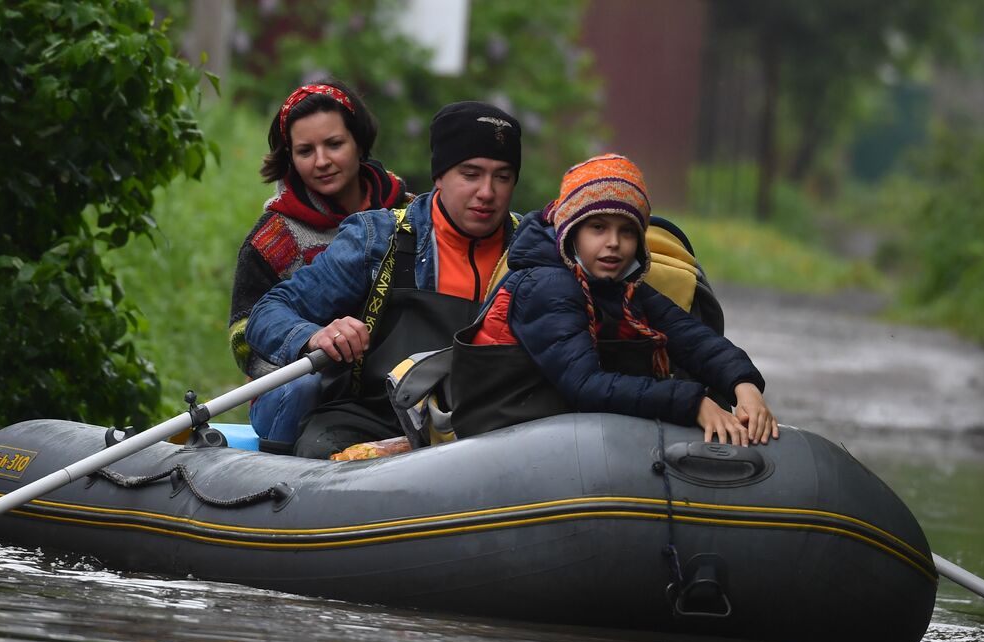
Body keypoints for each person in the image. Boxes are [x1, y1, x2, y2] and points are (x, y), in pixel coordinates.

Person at [245, 100, 524, 458]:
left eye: (502, 177)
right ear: (439, 175)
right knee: (318, 449)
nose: (487, 192)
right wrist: (315, 336)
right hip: (372, 418)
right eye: (470, 174)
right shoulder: (377, 238)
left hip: (486, 424)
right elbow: (267, 312)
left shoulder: (532, 249)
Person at [450, 153, 779, 445]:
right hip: (500, 432)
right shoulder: (547, 284)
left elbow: (691, 337)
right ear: (571, 233)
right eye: (598, 227)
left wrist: (744, 384)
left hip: (563, 430)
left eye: (627, 231)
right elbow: (584, 386)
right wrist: (692, 402)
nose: (614, 243)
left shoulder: (619, 284)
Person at [228, 80, 410, 445]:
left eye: (334, 144)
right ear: (290, 159)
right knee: (301, 386)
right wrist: (307, 342)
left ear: (359, 142)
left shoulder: (408, 214)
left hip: (390, 384)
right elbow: (243, 335)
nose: (322, 161)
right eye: (305, 151)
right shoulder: (273, 237)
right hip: (296, 388)